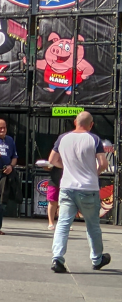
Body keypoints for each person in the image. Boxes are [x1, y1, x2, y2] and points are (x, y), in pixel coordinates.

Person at [49, 111, 110, 273]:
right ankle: (97, 259)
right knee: (92, 225)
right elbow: (103, 163)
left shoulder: (63, 138)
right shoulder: (94, 139)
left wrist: (67, 167)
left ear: (75, 122)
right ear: (91, 125)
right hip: (88, 188)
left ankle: (57, 258)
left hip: (67, 187)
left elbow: (52, 160)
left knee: (63, 223)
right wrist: (94, 172)